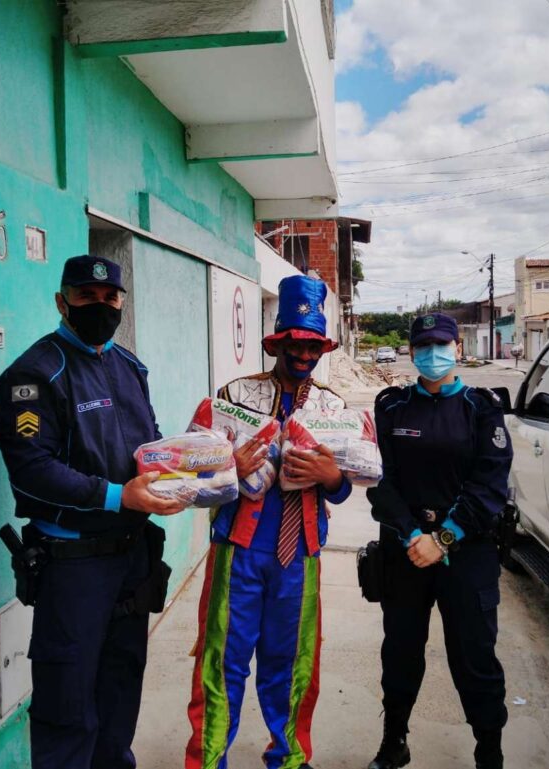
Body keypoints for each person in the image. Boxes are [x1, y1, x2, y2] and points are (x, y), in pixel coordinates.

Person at [0, 255, 186, 769]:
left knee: (121, 691)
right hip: (73, 566)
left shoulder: (129, 368)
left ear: (121, 301)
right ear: (62, 301)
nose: (100, 305)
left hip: (132, 559)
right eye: (85, 296)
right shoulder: (32, 376)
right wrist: (120, 496)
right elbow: (32, 469)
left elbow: (149, 447)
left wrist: (182, 478)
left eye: (109, 297)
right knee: (67, 705)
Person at [185, 275, 352, 769]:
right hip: (239, 548)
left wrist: (333, 476)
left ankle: (290, 759)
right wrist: (227, 468)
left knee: (295, 665)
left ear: (323, 347)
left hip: (300, 553)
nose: (303, 354)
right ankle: (207, 761)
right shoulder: (232, 396)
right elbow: (194, 474)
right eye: (295, 343)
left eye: (314, 345)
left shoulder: (333, 408)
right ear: (277, 341)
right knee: (221, 662)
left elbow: (346, 487)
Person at [365, 312, 513, 769]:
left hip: (467, 553)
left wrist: (443, 538)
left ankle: (489, 750)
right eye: (423, 347)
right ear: (411, 353)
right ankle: (395, 743)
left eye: (441, 345)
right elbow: (379, 479)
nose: (433, 354)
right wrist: (413, 535)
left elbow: (490, 486)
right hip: (405, 550)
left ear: (457, 349)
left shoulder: (482, 406)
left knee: (474, 659)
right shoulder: (390, 406)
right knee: (400, 653)